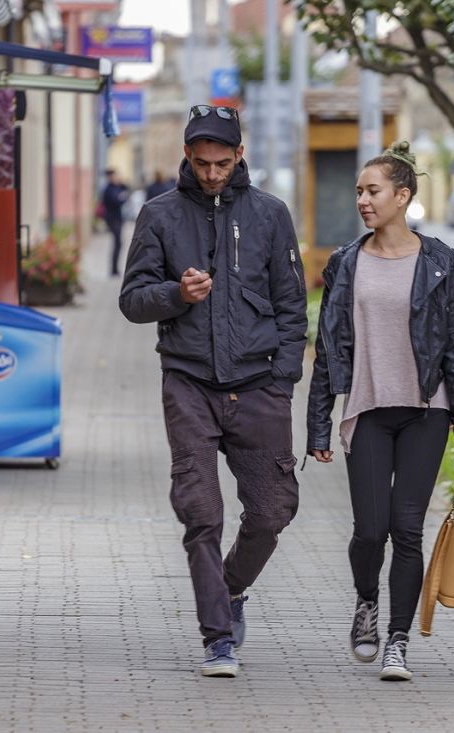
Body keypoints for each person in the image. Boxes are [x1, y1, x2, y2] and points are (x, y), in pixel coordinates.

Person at [118, 105, 308, 678]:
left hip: (258, 385)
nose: (211, 174)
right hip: (189, 382)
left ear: (240, 155)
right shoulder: (158, 215)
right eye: (201, 163)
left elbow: (293, 305)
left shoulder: (272, 215)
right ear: (186, 157)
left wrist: (284, 380)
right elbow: (131, 301)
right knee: (201, 511)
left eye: (222, 163)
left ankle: (229, 590)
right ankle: (217, 637)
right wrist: (177, 294)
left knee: (274, 510)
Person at [305, 141, 454, 681]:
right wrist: (317, 423)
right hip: (368, 409)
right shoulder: (345, 262)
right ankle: (366, 603)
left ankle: (398, 641)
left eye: (372, 190)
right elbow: (328, 344)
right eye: (359, 190)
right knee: (369, 530)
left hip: (427, 411)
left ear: (402, 196)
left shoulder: (439, 261)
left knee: (406, 530)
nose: (362, 199)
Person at [100, 169, 129, 276]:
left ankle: (115, 269)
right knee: (117, 243)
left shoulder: (117, 186)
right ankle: (113, 269)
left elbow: (126, 189)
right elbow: (116, 201)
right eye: (115, 176)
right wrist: (122, 198)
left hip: (118, 218)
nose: (116, 178)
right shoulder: (109, 189)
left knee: (118, 243)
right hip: (113, 219)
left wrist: (121, 182)